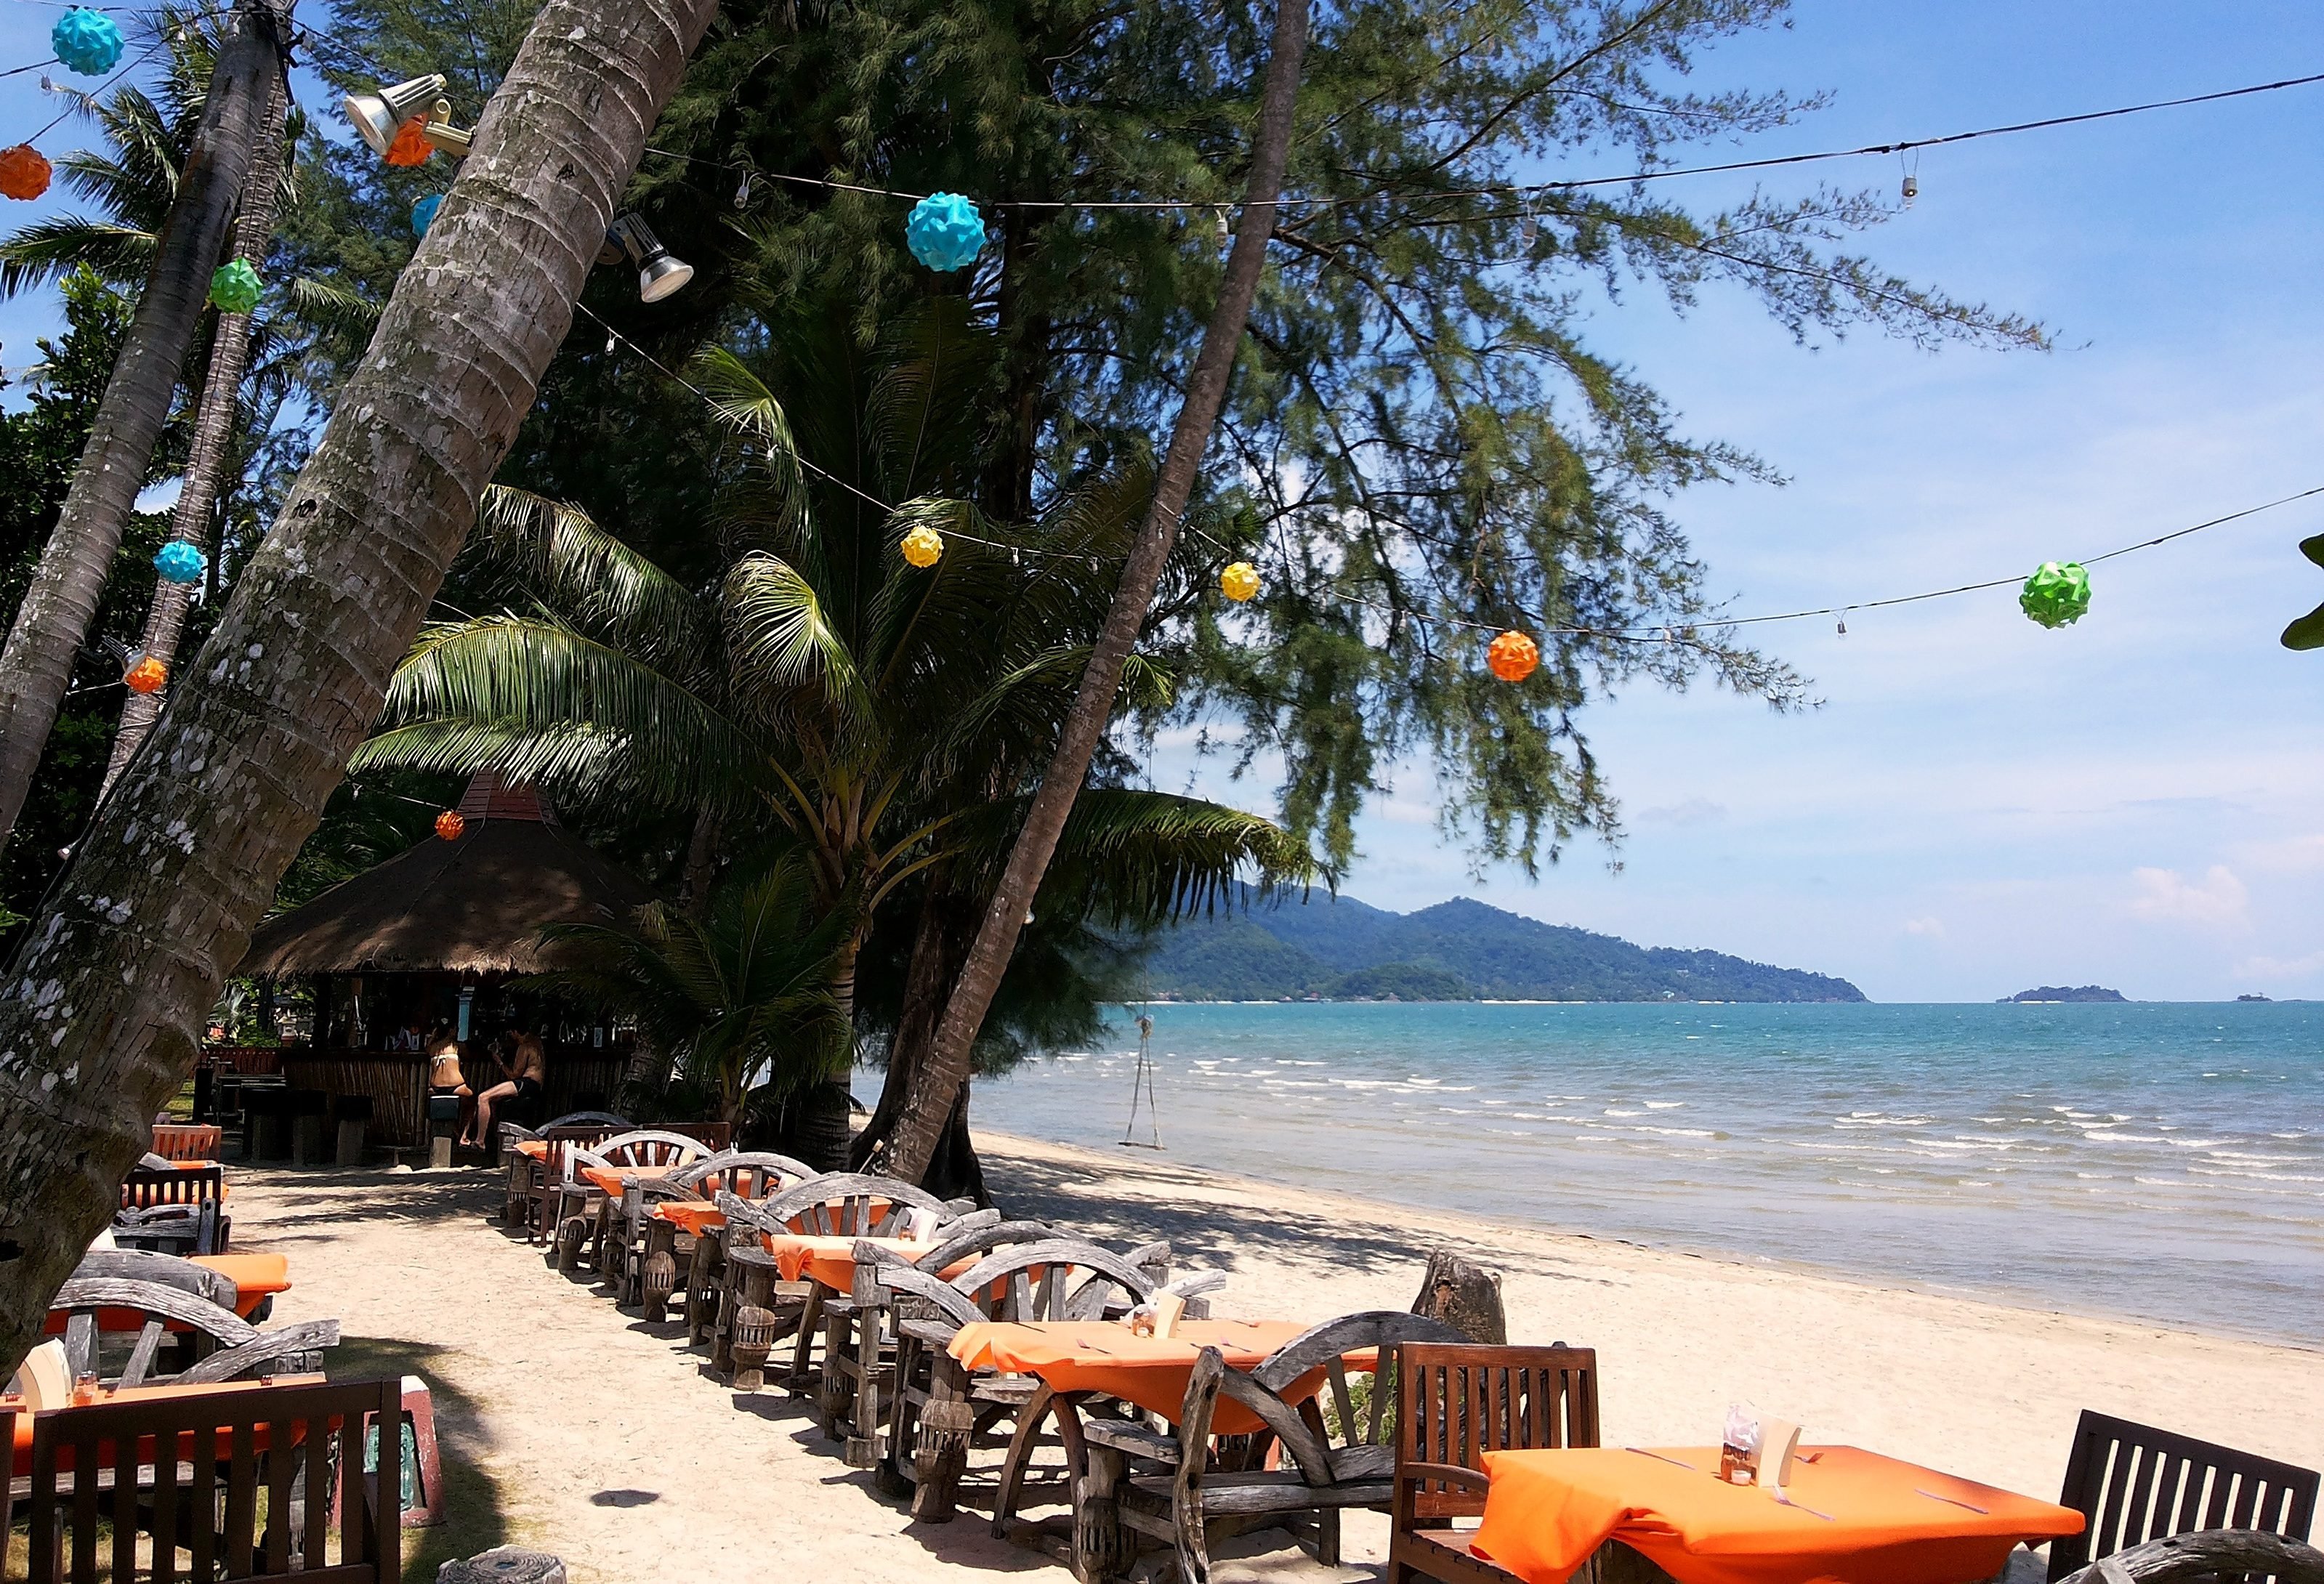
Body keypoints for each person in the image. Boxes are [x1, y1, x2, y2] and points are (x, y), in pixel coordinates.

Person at [469, 1025, 546, 1147]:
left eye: (510, 1033)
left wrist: (499, 1061)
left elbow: (514, 1075)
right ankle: (495, 1137)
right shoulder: (537, 1042)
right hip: (535, 1086)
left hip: (526, 1084)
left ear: (515, 1032)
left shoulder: (524, 1046)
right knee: (493, 1101)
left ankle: (480, 1141)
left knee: (483, 1097)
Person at [428, 1025, 473, 1141]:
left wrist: (433, 1036)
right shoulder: (457, 1046)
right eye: (455, 1029)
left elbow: (427, 1049)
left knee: (444, 1110)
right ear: (450, 1031)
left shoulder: (433, 1048)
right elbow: (469, 1055)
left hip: (435, 1088)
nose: (458, 1031)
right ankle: (463, 1135)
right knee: (473, 1103)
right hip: (456, 1086)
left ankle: (456, 1132)